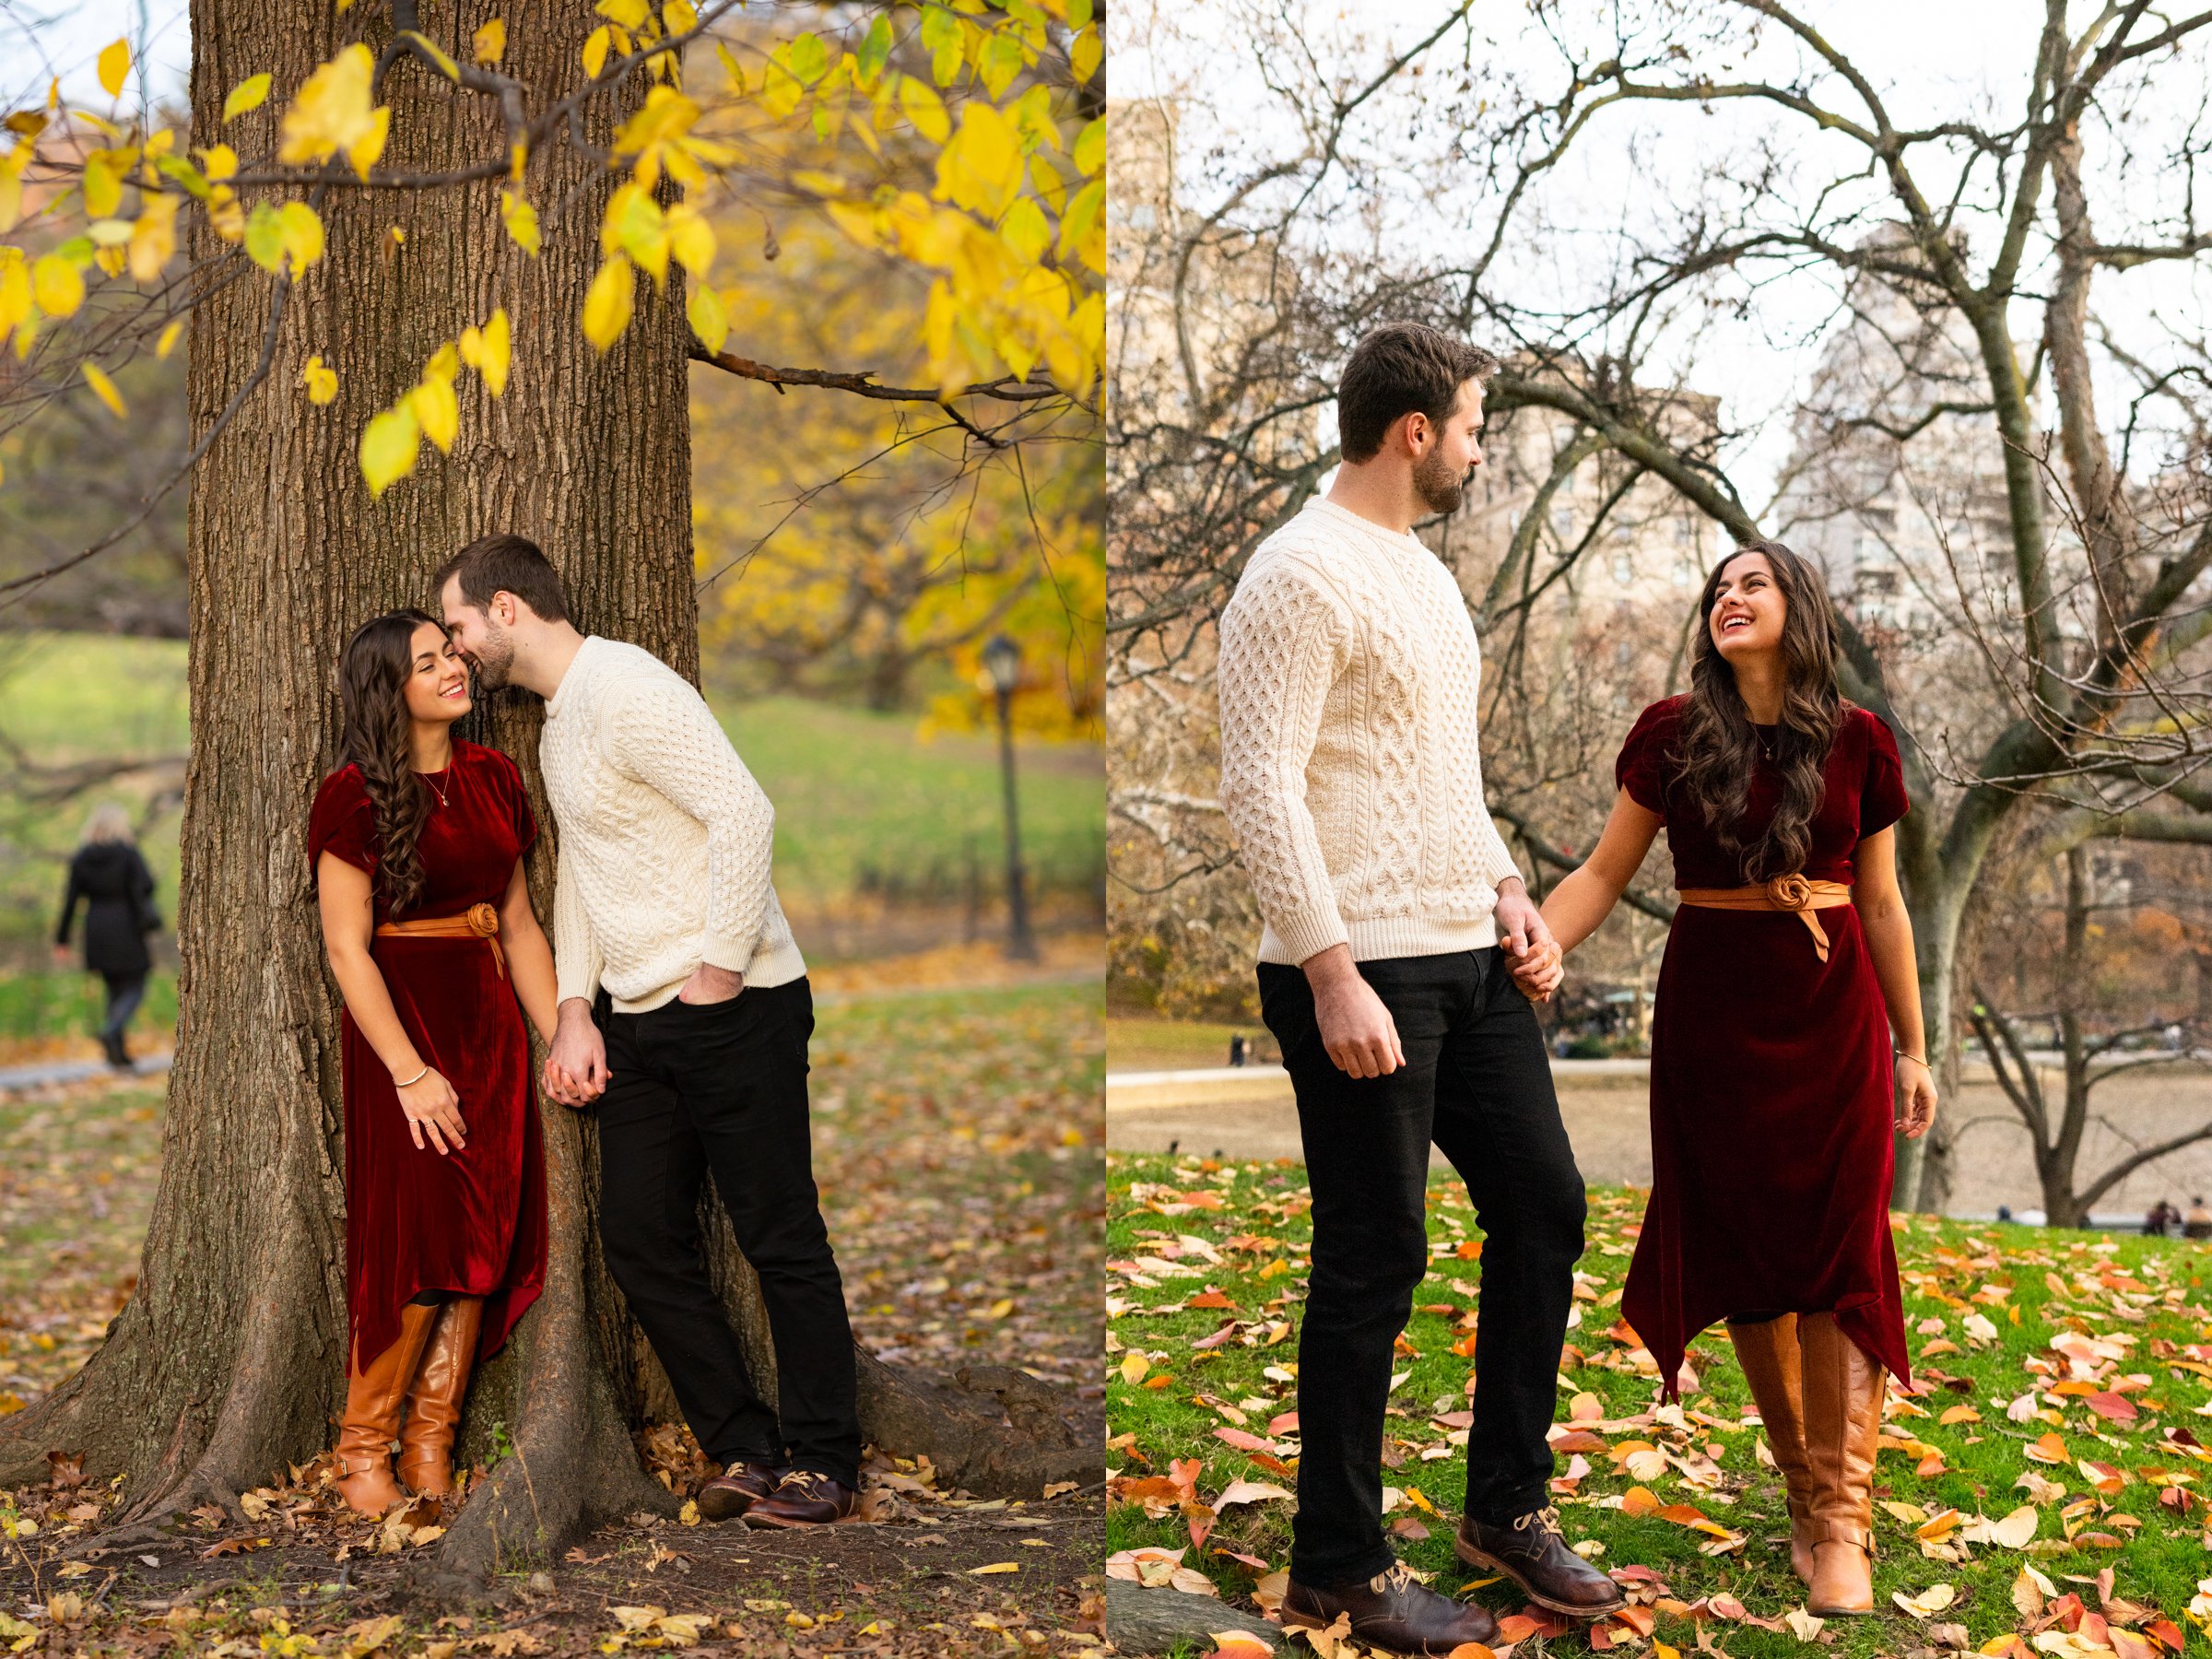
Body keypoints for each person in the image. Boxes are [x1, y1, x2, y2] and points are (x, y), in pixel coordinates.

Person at [1216, 322, 1620, 1657]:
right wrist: (1330, 974)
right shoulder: (1296, 573)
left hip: (1466, 950)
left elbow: (1438, 778)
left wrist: (1510, 890)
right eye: (1473, 426)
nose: (1478, 447)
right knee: (1376, 1257)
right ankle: (1334, 1564)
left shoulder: (1427, 581)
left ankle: (1504, 1507)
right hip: (1361, 968)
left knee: (1546, 1206)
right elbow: (1261, 786)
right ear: (1415, 434)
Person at [1515, 540, 1938, 1618]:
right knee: (1750, 1252)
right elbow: (1605, 871)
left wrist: (1916, 1047)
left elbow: (1884, 905)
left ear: (1803, 606)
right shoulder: (1671, 735)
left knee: (1842, 1249)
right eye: (1719, 588)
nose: (1730, 597)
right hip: (1712, 1028)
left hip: (1834, 1022)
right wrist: (1536, 948)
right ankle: (1803, 1495)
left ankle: (1845, 1519)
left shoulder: (1862, 742)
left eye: (1754, 583)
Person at [436, 534, 864, 1530]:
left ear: (506, 609)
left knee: (779, 1236)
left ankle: (824, 1459)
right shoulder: (555, 725)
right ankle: (746, 1447)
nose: (456, 651)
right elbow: (585, 871)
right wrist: (576, 1008)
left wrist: (716, 971)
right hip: (636, 1022)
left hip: (735, 1005)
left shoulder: (626, 686)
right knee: (637, 1238)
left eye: (458, 627)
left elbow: (743, 813)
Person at [311, 610, 554, 1516]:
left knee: (481, 1239)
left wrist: (561, 1028)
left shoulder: (493, 777)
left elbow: (520, 923)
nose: (454, 666)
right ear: (391, 689)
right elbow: (346, 949)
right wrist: (411, 1072)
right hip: (401, 1034)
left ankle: (429, 1445)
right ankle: (361, 1449)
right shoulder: (353, 795)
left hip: (490, 1028)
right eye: (429, 661)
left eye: (451, 651)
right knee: (414, 1240)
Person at [53, 805, 161, 1069]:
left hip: (96, 926)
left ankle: (117, 1054)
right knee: (136, 983)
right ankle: (112, 1030)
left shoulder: (82, 857)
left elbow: (70, 901)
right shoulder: (127, 853)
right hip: (125, 925)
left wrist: (62, 940)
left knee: (113, 989)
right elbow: (147, 884)